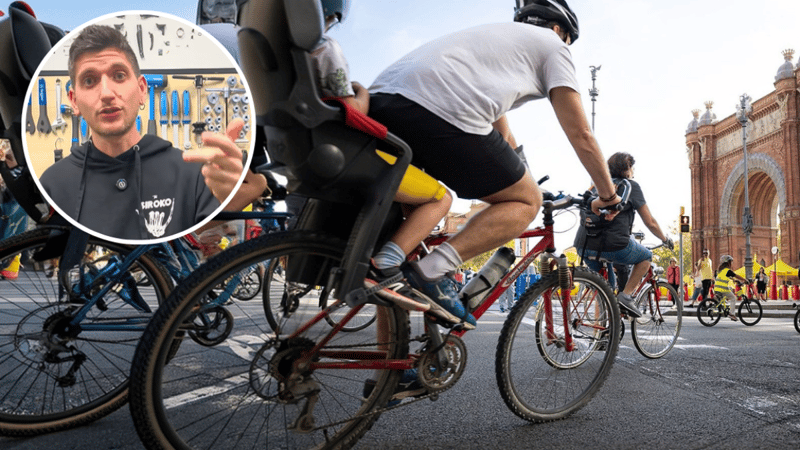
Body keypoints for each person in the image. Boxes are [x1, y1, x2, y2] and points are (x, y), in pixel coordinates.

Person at [367, 0, 623, 325]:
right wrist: (609, 196)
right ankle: (433, 272)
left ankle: (390, 369)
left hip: (382, 106)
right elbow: (581, 133)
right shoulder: (553, 45)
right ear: (560, 29)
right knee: (525, 202)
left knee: (394, 261)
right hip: (437, 110)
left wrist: (525, 174)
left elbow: (502, 130)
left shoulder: (492, 43)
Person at [307, 1, 457, 326]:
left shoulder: (280, 52)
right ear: (331, 15)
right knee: (442, 197)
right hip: (351, 154)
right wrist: (361, 93)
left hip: (310, 151)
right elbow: (354, 114)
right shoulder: (325, 49)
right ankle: (388, 261)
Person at [37, 24, 262, 240]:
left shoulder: (190, 175)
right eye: (89, 80)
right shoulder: (53, 182)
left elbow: (192, 234)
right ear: (74, 101)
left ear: (142, 90)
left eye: (118, 76)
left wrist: (229, 200)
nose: (106, 93)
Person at [573, 152, 672, 317]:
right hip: (613, 245)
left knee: (605, 291)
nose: (633, 171)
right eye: (632, 167)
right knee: (646, 256)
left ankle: (602, 334)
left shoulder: (595, 186)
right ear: (627, 169)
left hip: (583, 245)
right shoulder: (630, 186)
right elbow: (650, 222)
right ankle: (626, 296)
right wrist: (665, 239)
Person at [714, 255, 749, 321]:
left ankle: (722, 304)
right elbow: (736, 275)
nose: (731, 263)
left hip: (716, 288)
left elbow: (729, 277)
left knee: (729, 292)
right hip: (722, 289)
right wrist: (744, 280)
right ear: (728, 263)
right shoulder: (727, 270)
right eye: (730, 262)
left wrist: (734, 280)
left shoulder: (721, 270)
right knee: (733, 298)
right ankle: (732, 314)